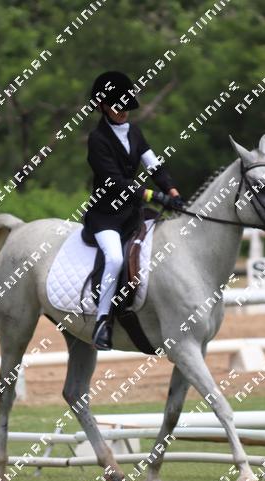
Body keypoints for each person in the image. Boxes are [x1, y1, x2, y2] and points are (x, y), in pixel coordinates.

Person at [84, 71, 184, 350]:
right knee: (115, 259)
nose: (124, 112)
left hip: (132, 213)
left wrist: (172, 191)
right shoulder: (97, 139)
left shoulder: (134, 132)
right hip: (105, 216)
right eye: (118, 107)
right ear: (103, 106)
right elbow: (115, 182)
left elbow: (154, 165)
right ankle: (103, 321)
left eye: (127, 106)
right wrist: (153, 195)